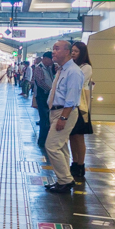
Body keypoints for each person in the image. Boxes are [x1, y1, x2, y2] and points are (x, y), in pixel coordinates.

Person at [44, 41, 84, 193]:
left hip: (63, 113)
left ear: (67, 52)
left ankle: (66, 180)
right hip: (56, 112)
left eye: (56, 49)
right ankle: (64, 179)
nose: (53, 52)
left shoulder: (73, 72)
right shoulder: (62, 70)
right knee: (61, 147)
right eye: (53, 48)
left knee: (52, 146)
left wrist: (63, 118)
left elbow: (71, 98)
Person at [69, 42, 93, 178]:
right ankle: (74, 162)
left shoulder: (86, 67)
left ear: (82, 53)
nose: (73, 53)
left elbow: (77, 83)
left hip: (81, 106)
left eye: (76, 51)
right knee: (72, 136)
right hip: (73, 105)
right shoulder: (74, 66)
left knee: (79, 137)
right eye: (72, 51)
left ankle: (81, 165)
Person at [34, 52, 55, 146]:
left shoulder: (49, 68)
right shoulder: (39, 68)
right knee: (44, 118)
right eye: (52, 59)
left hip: (48, 95)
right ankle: (42, 141)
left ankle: (46, 139)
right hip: (43, 96)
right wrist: (51, 90)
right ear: (46, 58)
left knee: (47, 118)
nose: (52, 61)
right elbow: (41, 83)